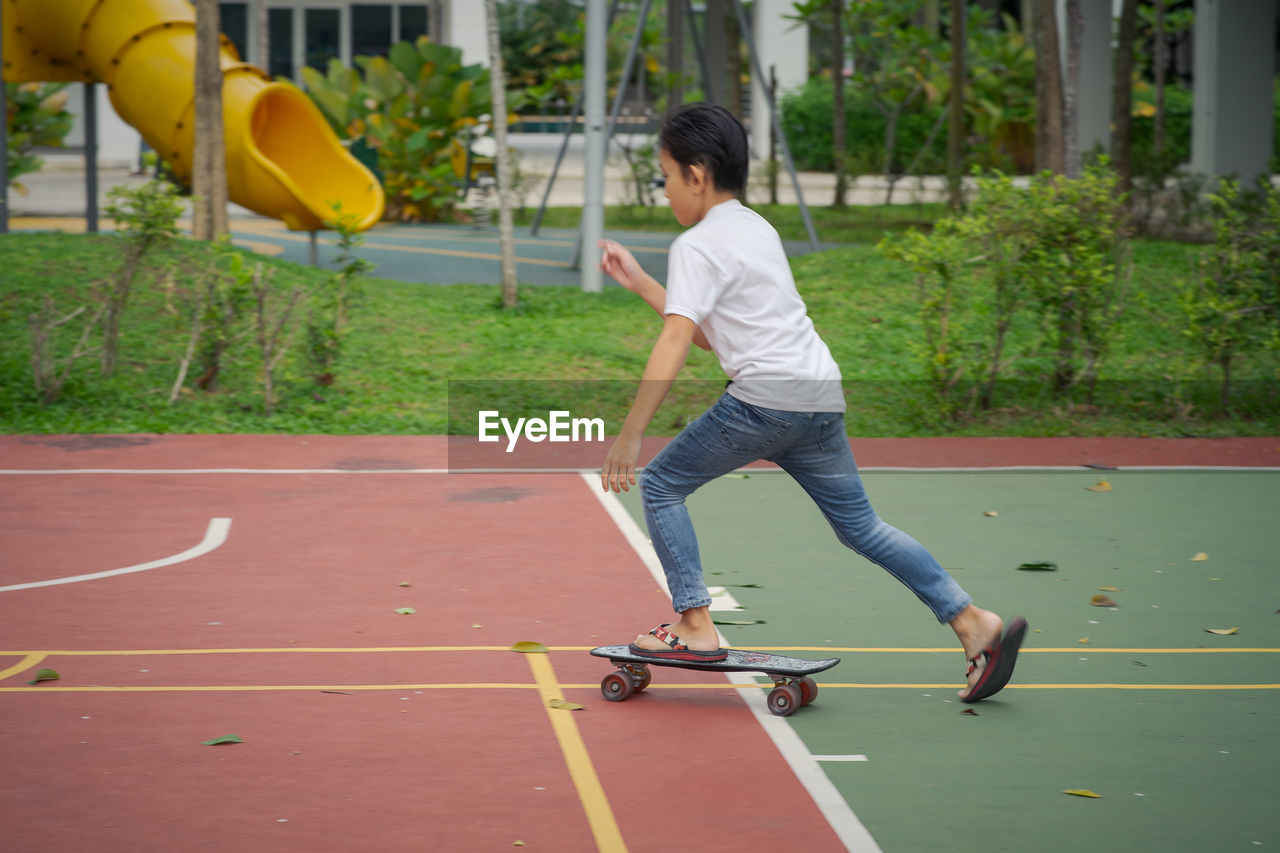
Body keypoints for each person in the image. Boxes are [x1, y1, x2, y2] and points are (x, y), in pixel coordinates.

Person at [597, 102, 1026, 702]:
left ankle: (694, 625)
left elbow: (674, 339)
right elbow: (708, 331)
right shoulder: (756, 228)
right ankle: (972, 622)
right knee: (862, 527)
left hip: (765, 403)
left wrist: (630, 434)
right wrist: (641, 282)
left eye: (665, 175)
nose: (665, 190)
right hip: (818, 395)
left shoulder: (696, 245)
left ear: (696, 174)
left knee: (662, 483)